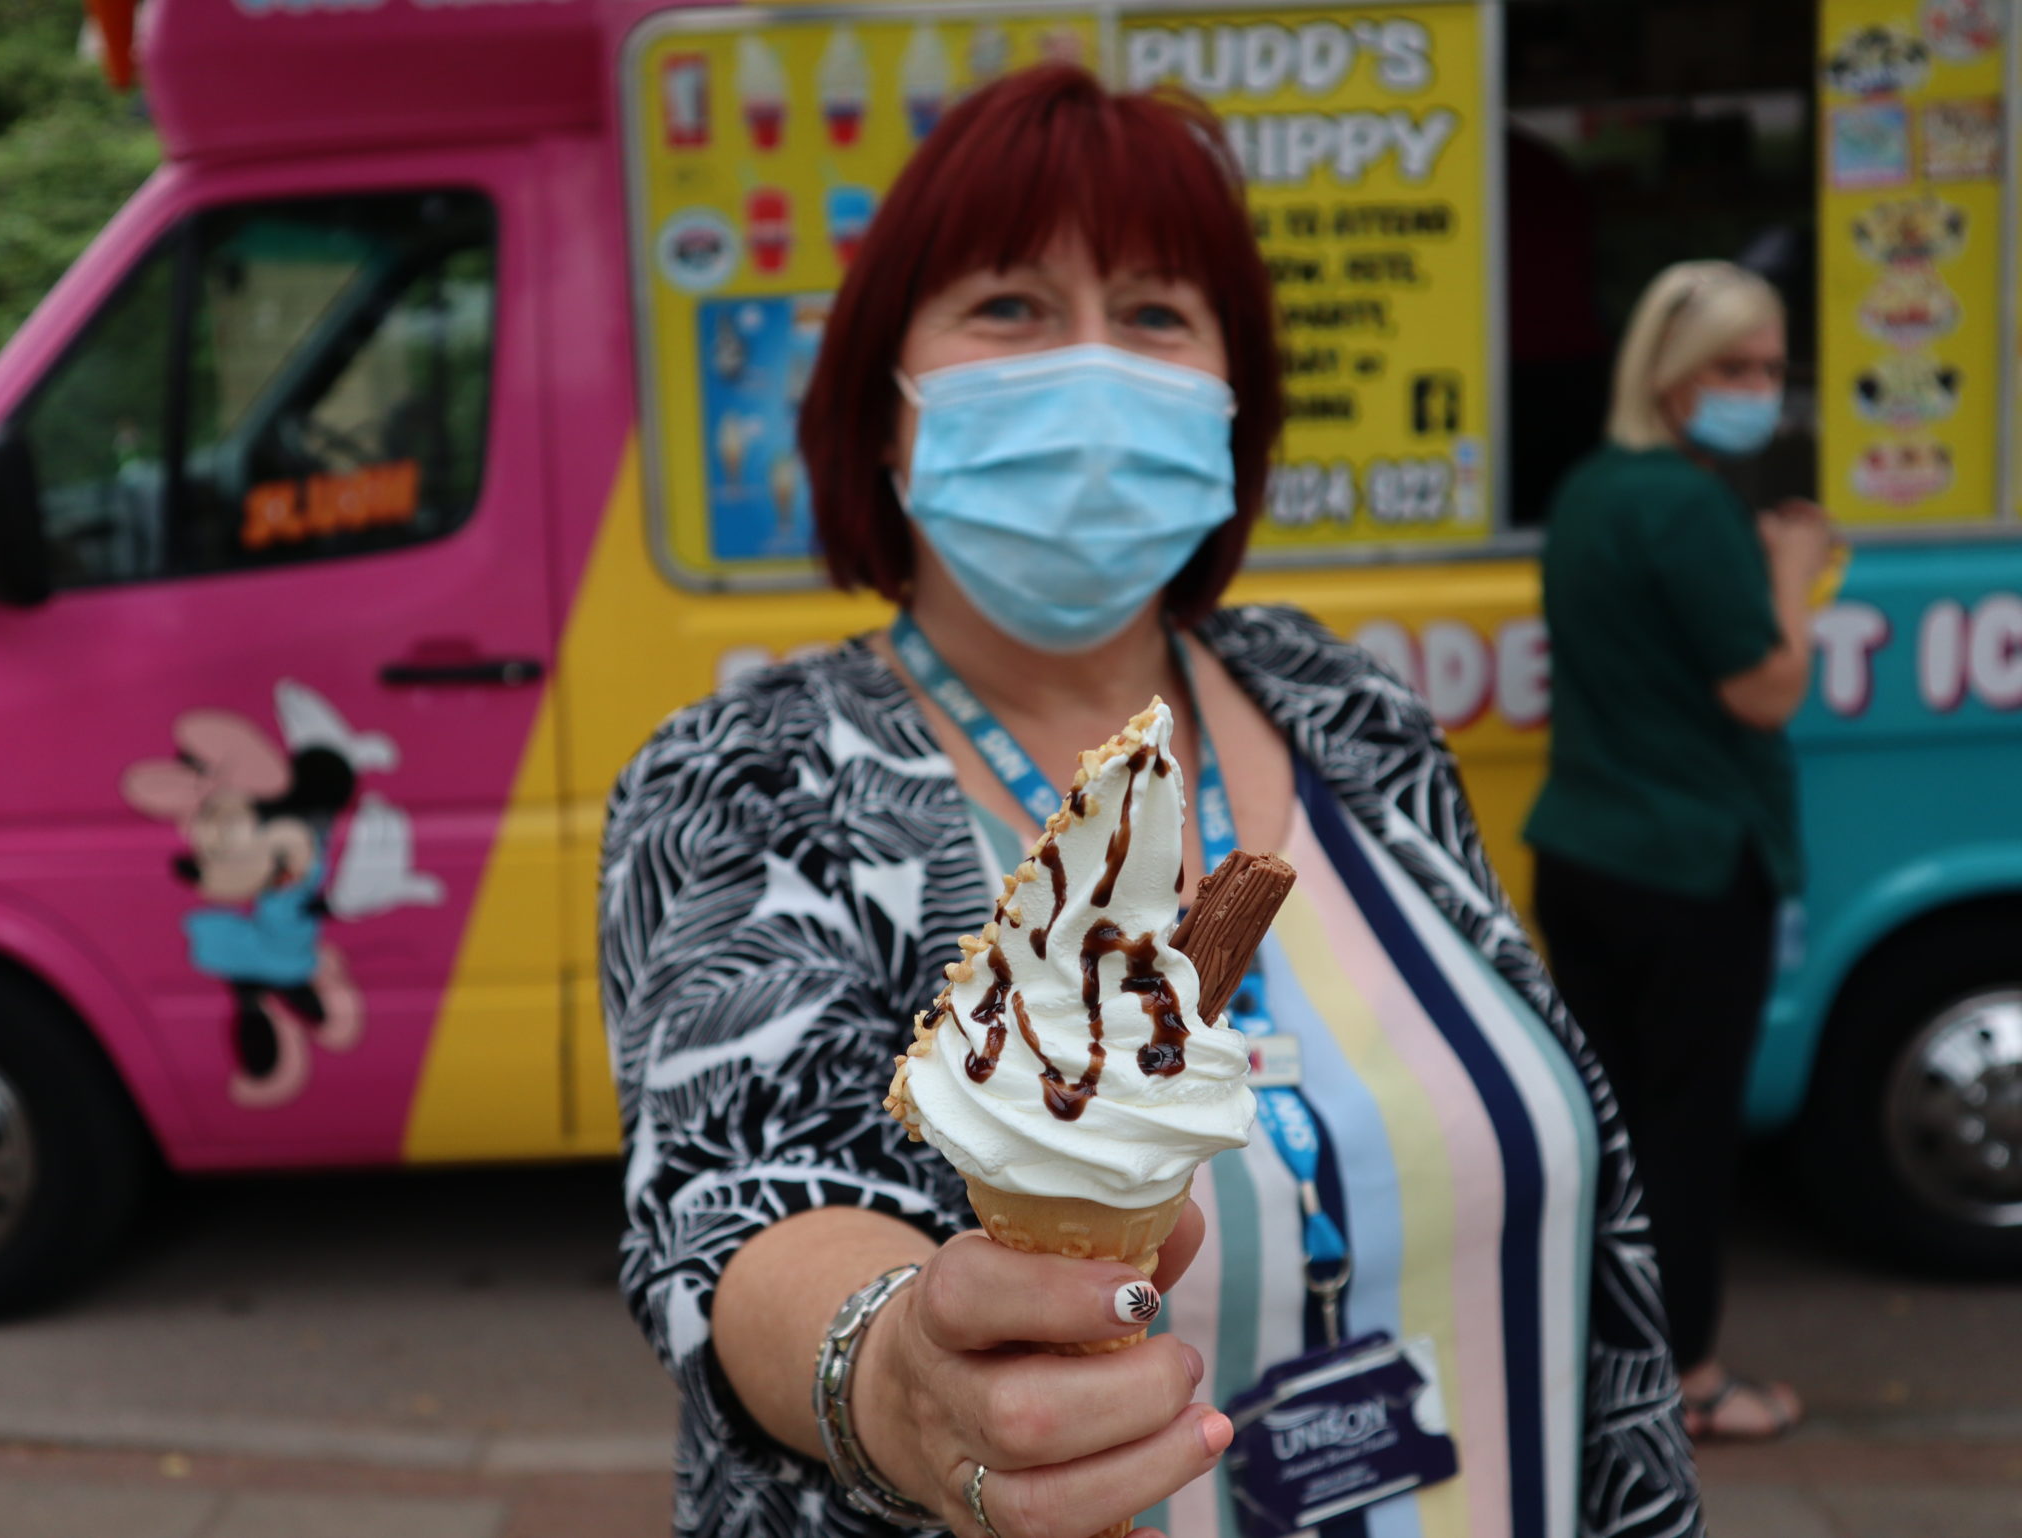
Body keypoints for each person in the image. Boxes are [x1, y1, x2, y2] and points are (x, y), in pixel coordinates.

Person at [603, 66, 1701, 1538]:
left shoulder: (1348, 711)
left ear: (1228, 406)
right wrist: (900, 1373)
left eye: (1157, 314)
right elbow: (741, 1212)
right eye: (1009, 305)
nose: (1093, 369)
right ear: (883, 406)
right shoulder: (748, 772)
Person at [1526, 260, 1836, 1443]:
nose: (1757, 389)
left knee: (1605, 1131)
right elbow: (1763, 687)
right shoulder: (1691, 505)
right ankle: (1691, 1378)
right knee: (1689, 1136)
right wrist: (1791, 577)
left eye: (1768, 367)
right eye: (1730, 366)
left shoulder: (1592, 490)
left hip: (1587, 847)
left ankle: (1596, 1354)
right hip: (1693, 866)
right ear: (1665, 373)